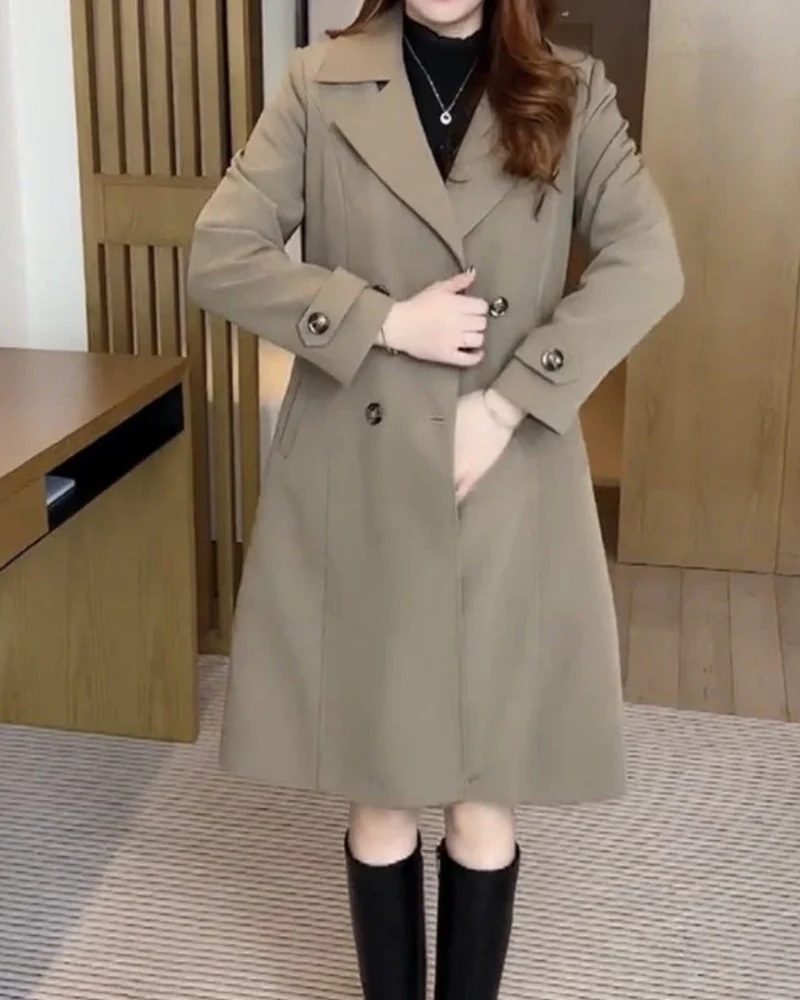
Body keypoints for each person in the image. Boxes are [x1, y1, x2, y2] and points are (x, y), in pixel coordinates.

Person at [187, 0, 683, 995]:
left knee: (483, 794)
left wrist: (510, 401)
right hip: (364, 479)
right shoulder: (317, 82)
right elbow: (219, 253)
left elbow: (647, 263)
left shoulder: (571, 89)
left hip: (506, 475)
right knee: (380, 793)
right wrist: (380, 320)